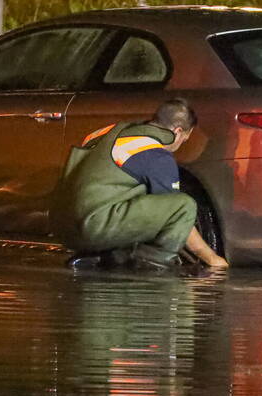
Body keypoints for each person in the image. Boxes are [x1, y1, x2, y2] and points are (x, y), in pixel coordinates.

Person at [54, 98, 228, 270]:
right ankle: (151, 261)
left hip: (63, 227)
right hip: (93, 227)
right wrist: (211, 258)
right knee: (184, 205)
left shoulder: (111, 132)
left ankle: (105, 256)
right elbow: (176, 214)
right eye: (184, 139)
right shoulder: (155, 153)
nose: (181, 144)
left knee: (137, 196)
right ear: (178, 131)